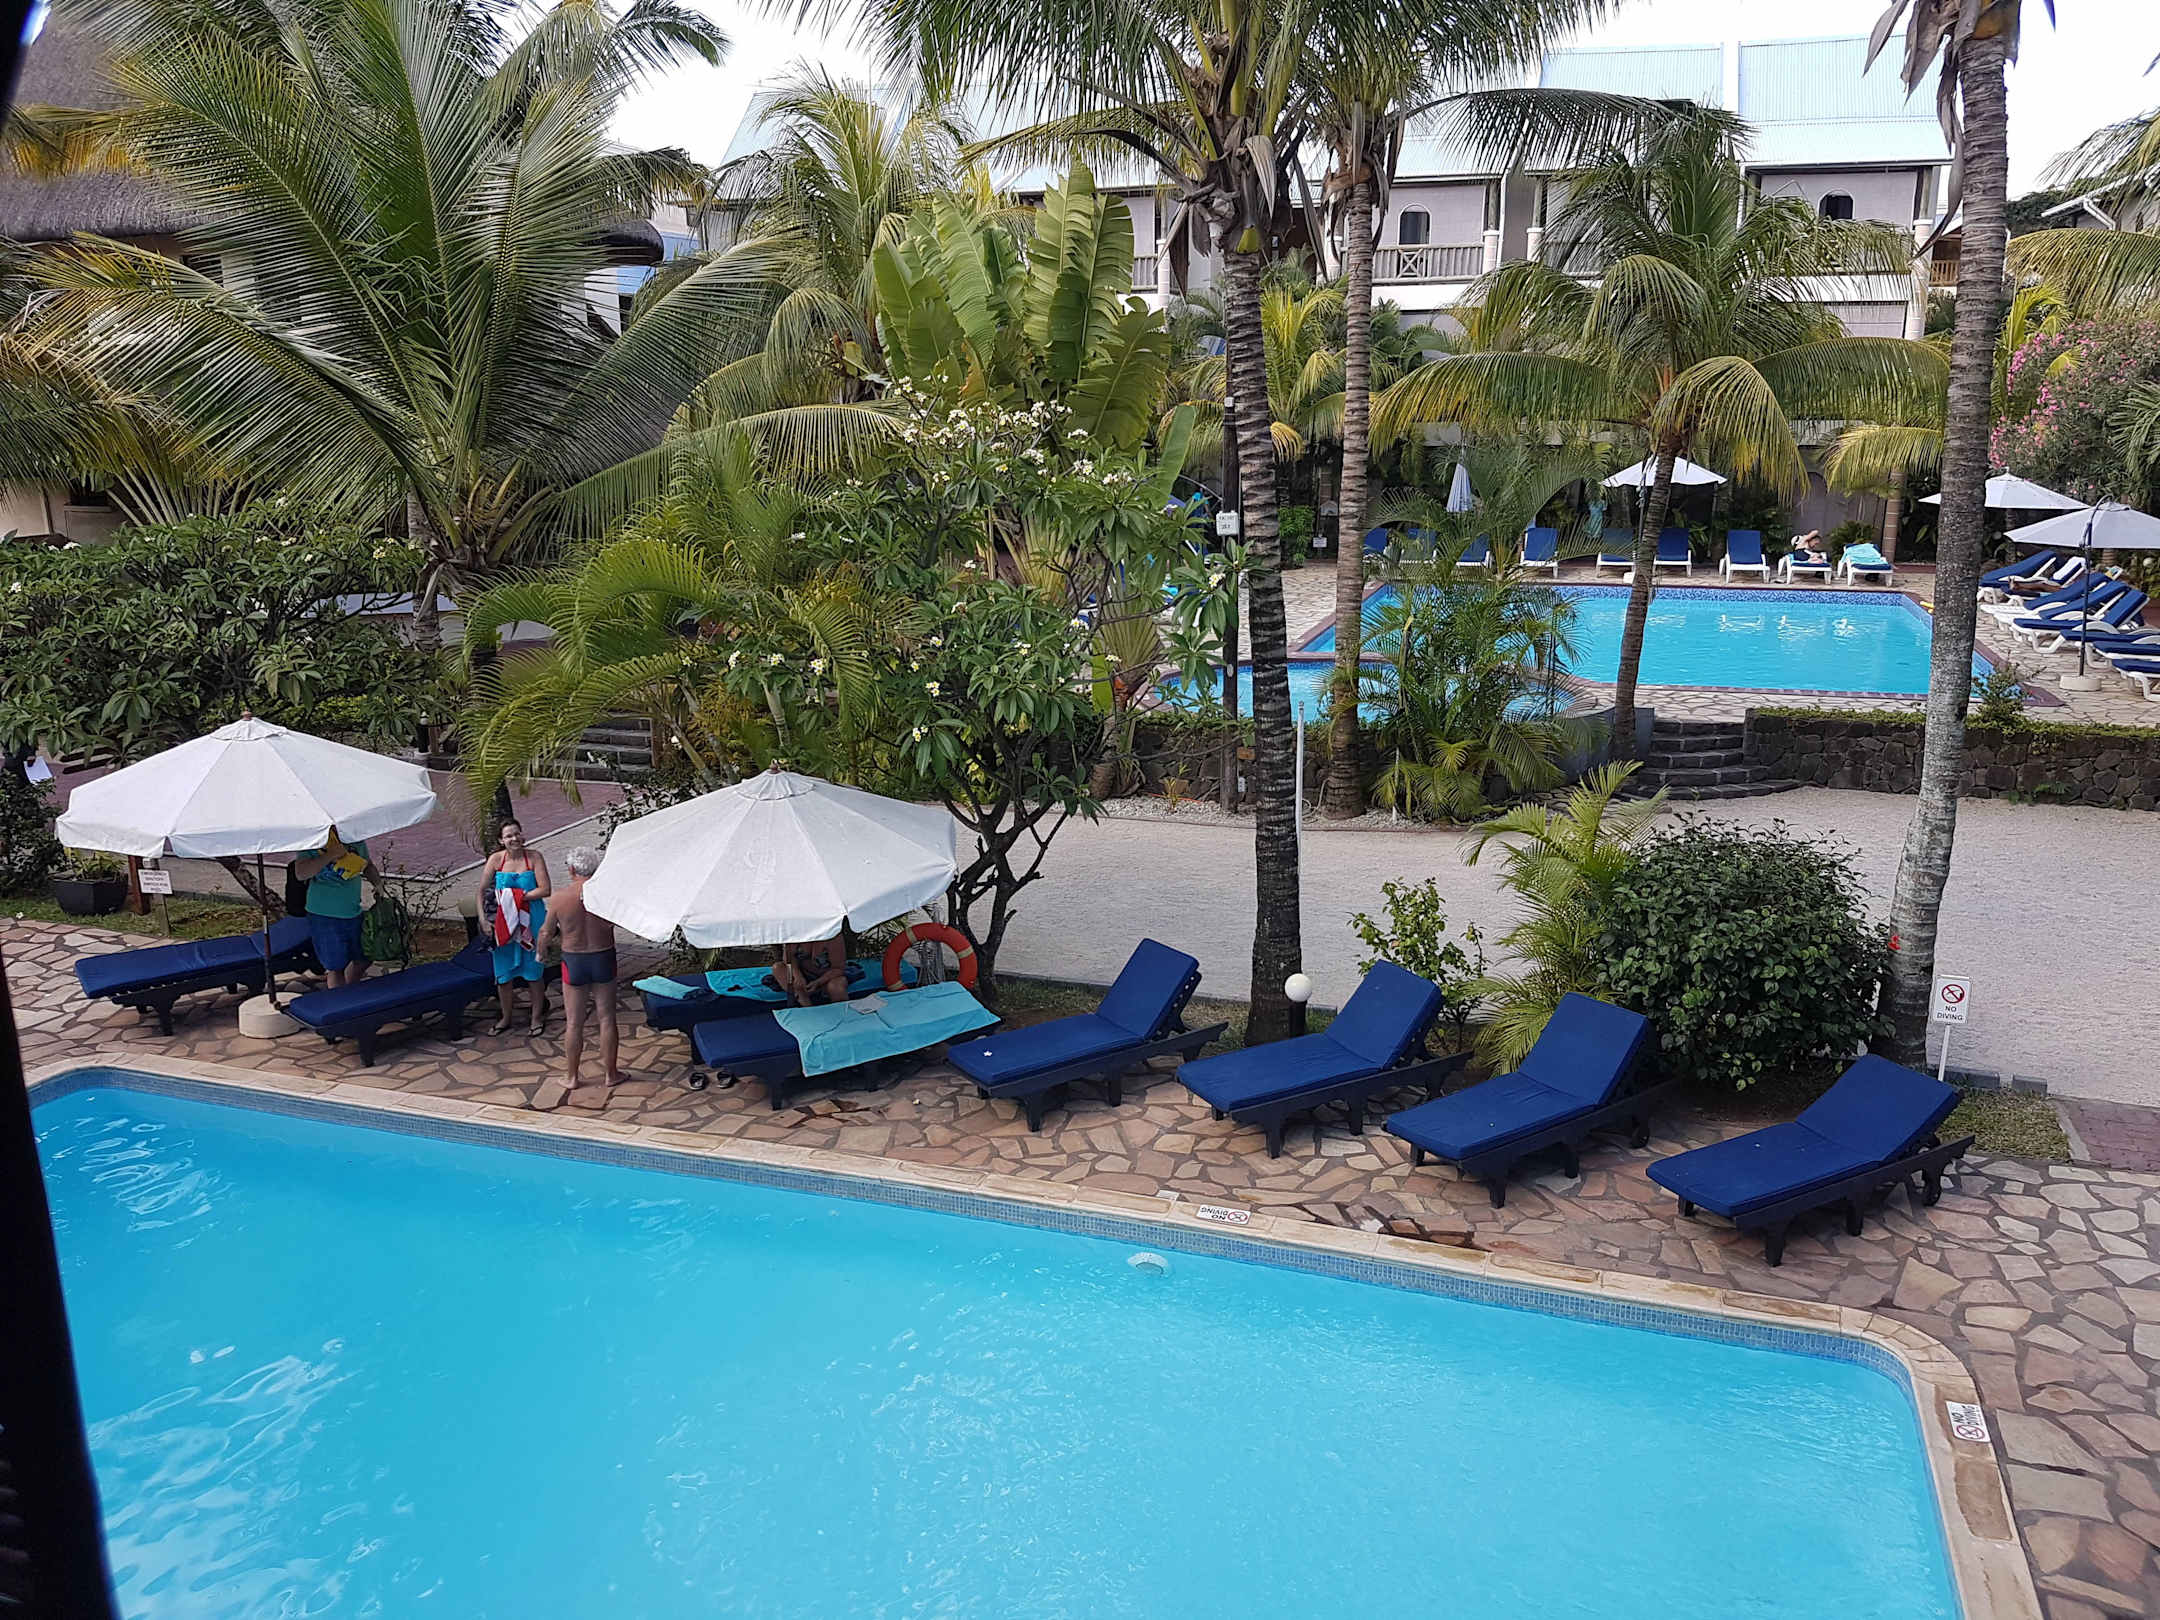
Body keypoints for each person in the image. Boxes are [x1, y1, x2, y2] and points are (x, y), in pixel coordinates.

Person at [532, 845, 619, 1105]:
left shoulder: (560, 897)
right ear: (596, 869)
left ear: (571, 869)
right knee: (606, 1018)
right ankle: (611, 1074)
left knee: (574, 1022)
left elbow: (546, 932)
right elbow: (619, 921)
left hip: (575, 960)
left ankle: (572, 1077)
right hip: (603, 956)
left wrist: (540, 954)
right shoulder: (606, 894)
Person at [477, 818, 551, 1036]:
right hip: (503, 925)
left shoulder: (534, 857)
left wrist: (516, 898)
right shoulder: (495, 860)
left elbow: (545, 889)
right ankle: (506, 1017)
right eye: (509, 836)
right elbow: (481, 891)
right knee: (504, 974)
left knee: (534, 972)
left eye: (517, 834)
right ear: (502, 840)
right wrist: (483, 920)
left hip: (532, 922)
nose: (514, 839)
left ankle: (536, 1017)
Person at [295, 826, 380, 989]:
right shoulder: (313, 843)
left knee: (364, 958)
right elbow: (301, 873)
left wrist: (378, 884)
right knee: (336, 966)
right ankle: (340, 999)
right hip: (324, 916)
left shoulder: (355, 840)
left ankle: (350, 990)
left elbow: (367, 865)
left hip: (353, 911)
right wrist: (330, 855)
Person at [772, 931, 849, 1006]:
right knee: (778, 968)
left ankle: (841, 1011)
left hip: (827, 978)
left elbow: (839, 969)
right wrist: (798, 976)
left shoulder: (833, 935)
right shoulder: (794, 933)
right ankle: (804, 1002)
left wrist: (818, 982)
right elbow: (788, 959)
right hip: (803, 976)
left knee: (836, 986)